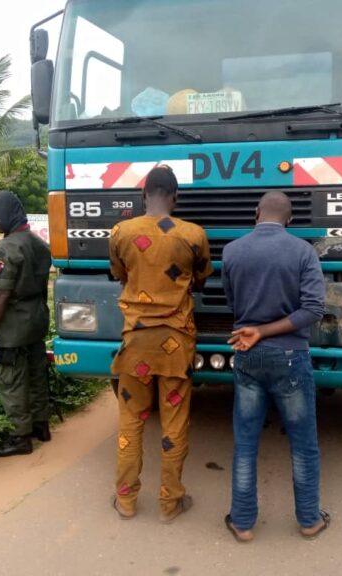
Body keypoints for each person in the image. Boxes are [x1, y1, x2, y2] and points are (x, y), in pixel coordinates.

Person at [222, 191, 329, 543]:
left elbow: (233, 303)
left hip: (247, 357)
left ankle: (242, 522)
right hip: (290, 357)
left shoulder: (232, 251)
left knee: (246, 441)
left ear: (256, 213)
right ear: (290, 219)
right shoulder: (303, 252)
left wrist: (256, 329)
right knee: (303, 443)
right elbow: (313, 309)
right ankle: (310, 520)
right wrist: (269, 330)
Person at [108, 166, 212, 523]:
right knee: (174, 423)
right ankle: (170, 502)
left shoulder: (121, 232)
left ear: (143, 196)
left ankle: (125, 500)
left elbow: (120, 274)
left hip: (135, 342)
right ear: (176, 196)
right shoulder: (193, 234)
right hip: (176, 344)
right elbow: (200, 278)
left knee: (131, 421)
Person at [0, 190, 52, 457]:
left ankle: (20, 437)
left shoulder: (5, 248)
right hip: (37, 320)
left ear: (8, 215)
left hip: (13, 327)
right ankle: (41, 426)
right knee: (36, 373)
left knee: (11, 382)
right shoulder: (38, 243)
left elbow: (2, 295)